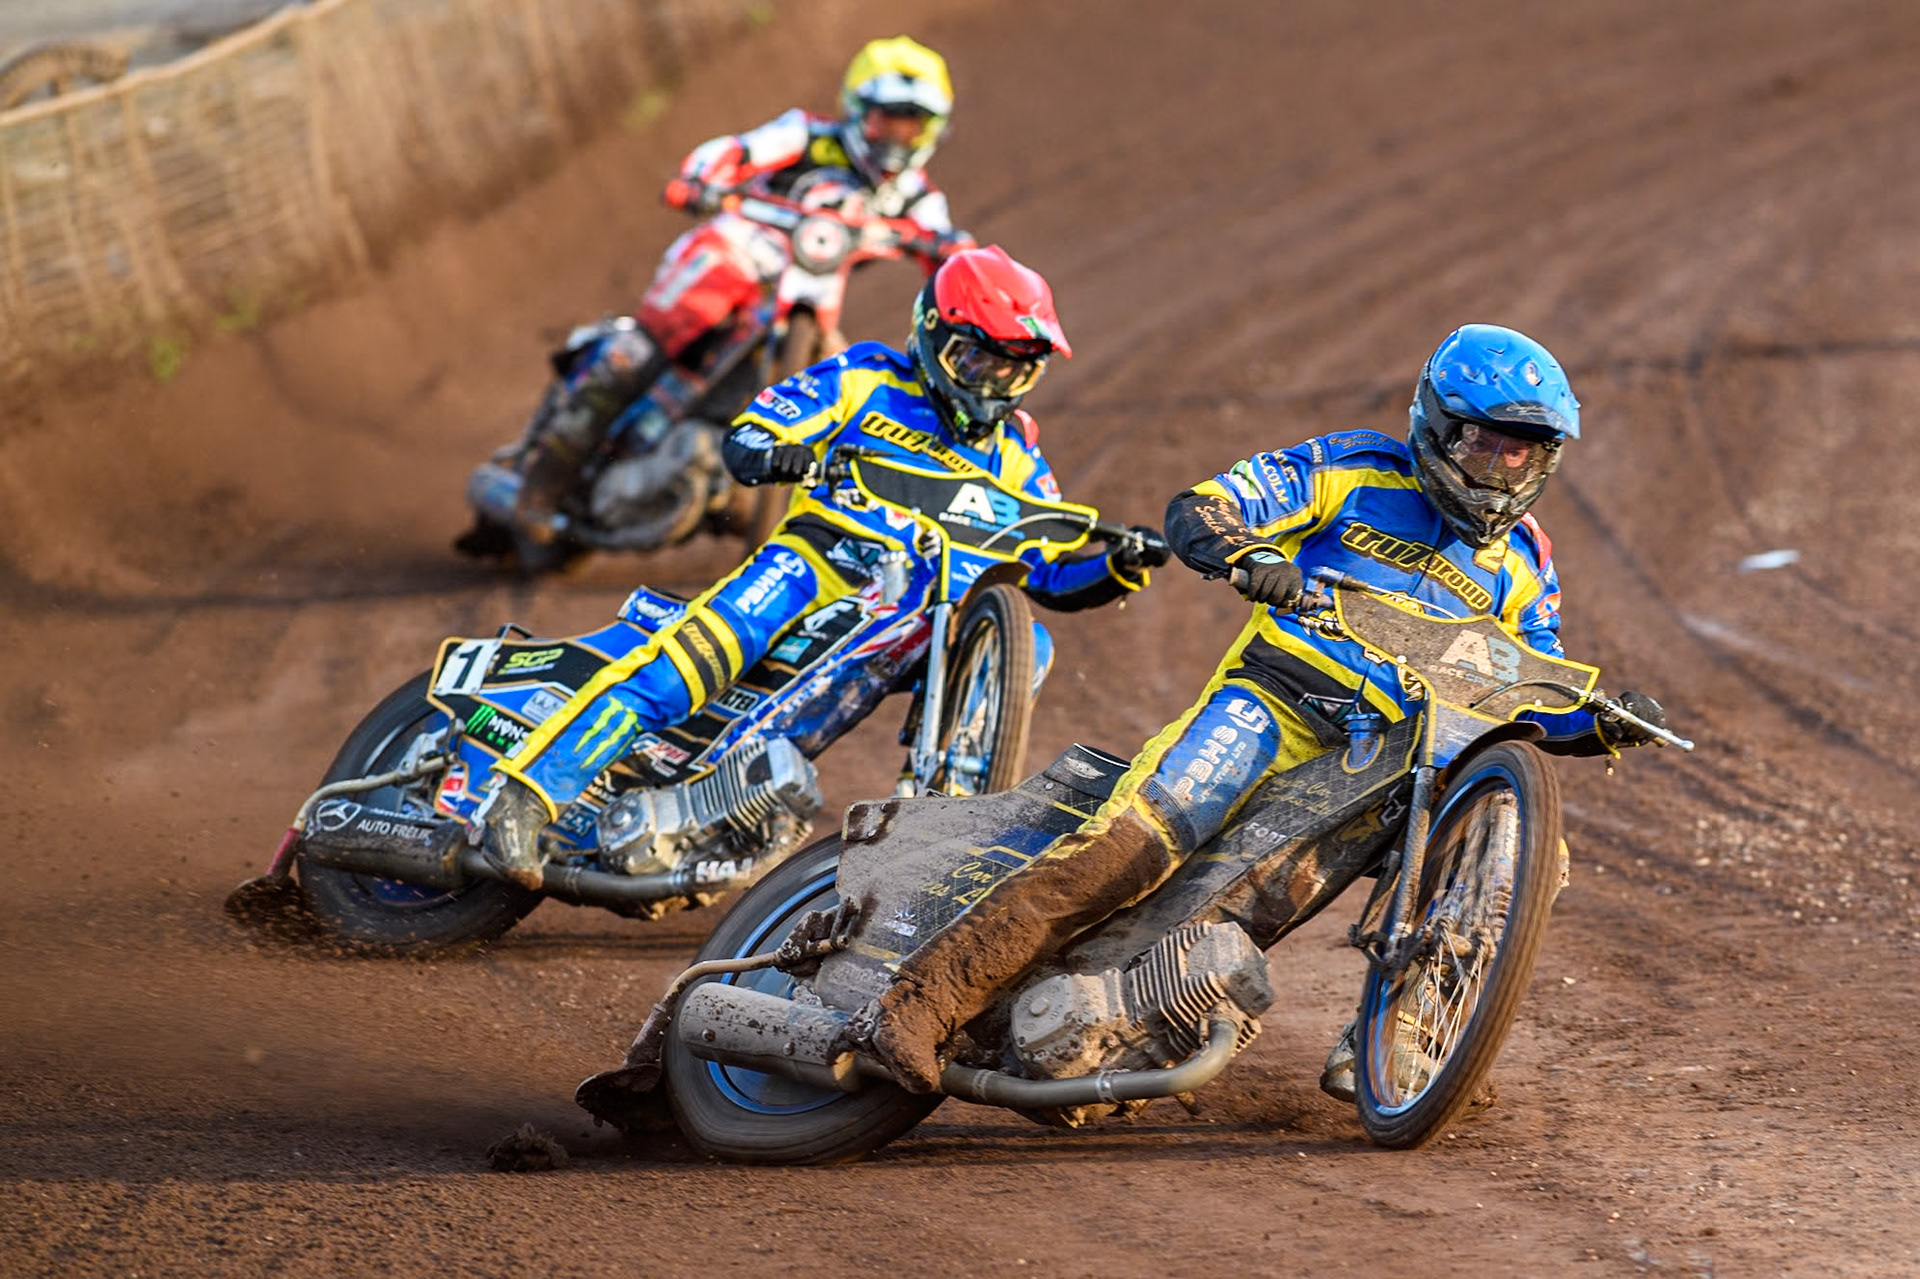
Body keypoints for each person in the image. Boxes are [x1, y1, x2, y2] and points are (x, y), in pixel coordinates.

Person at [860, 323, 1672, 1095]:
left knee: (1516, 845)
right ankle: (918, 1000)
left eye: (1519, 451)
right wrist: (1250, 553)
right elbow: (1208, 505)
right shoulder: (1357, 467)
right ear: (1435, 425)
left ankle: (1412, 1039)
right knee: (1133, 846)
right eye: (1481, 443)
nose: (1498, 467)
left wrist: (1598, 716)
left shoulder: (1526, 560)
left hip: (1394, 763)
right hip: (1274, 706)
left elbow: (1533, 684)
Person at [474, 245, 1169, 886]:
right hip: (816, 562)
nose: (992, 385)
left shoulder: (1017, 455)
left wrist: (1120, 564)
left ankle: (941, 816)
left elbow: (1046, 573)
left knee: (1031, 641)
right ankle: (526, 793)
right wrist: (777, 449)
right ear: (932, 337)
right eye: (977, 361)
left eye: (1013, 368)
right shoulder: (868, 375)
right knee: (685, 666)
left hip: (916, 617)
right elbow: (755, 430)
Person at [505, 36, 973, 545]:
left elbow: (950, 248)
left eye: (914, 124)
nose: (898, 137)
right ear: (859, 111)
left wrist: (957, 255)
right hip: (735, 251)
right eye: (889, 120)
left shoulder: (913, 194)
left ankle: (794, 513)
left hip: (806, 297)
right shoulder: (806, 136)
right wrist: (701, 179)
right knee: (638, 350)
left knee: (852, 388)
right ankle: (542, 484)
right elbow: (735, 152)